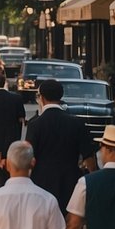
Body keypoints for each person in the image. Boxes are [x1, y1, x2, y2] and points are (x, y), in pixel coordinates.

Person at [26, 78, 95, 214]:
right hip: (70, 181)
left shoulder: (35, 125)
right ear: (61, 96)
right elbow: (89, 157)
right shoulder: (76, 123)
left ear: (42, 98)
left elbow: (28, 156)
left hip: (42, 182)